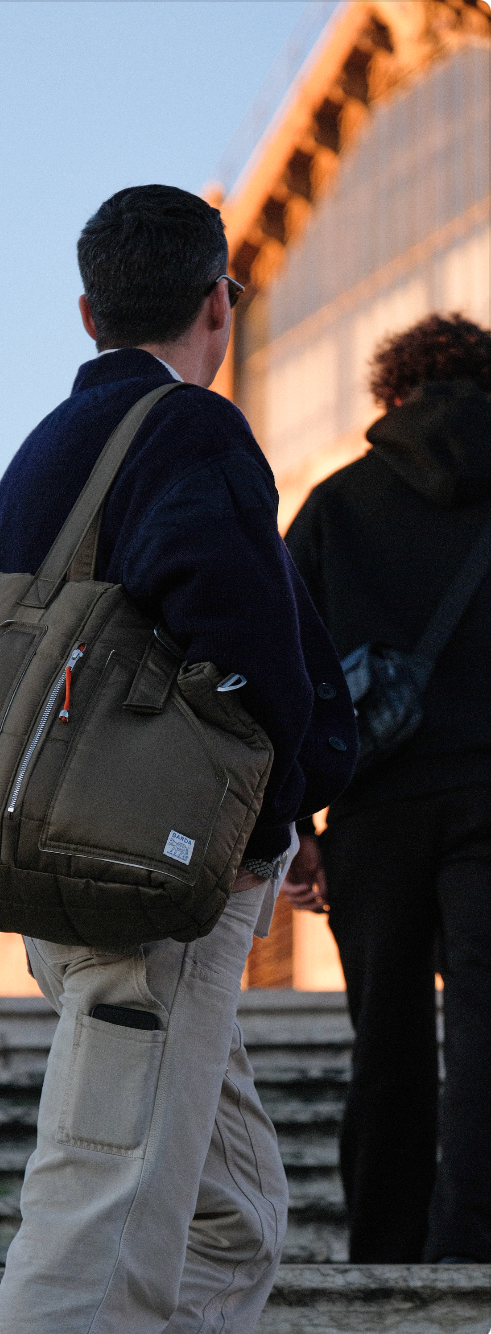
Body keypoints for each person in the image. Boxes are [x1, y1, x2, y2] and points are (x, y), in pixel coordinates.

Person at [0, 185, 357, 1334]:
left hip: (63, 840)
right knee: (105, 1203)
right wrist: (272, 817)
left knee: (230, 1212)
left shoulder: (44, 450)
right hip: (162, 867)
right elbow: (238, 630)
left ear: (88, 313)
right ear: (219, 303)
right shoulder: (189, 429)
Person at [282, 314, 491, 1265]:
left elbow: (274, 669)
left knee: (389, 1039)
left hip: (371, 812)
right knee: (485, 1034)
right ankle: (472, 1248)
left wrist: (294, 826)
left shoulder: (336, 504)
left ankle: (384, 1256)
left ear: (391, 395)